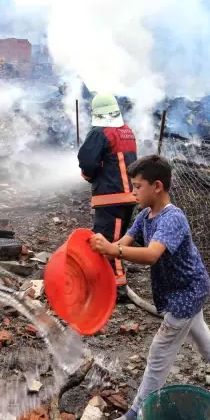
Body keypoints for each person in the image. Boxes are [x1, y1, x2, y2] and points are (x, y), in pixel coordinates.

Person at [89, 155, 210, 420]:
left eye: (137, 186)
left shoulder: (173, 218)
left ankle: (136, 413)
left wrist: (115, 250)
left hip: (188, 292)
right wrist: (104, 249)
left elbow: (151, 255)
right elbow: (123, 242)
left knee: (159, 353)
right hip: (183, 289)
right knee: (199, 331)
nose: (133, 191)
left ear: (157, 186)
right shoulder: (145, 215)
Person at [78, 93, 137, 300]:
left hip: (110, 198)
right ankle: (106, 280)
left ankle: (118, 289)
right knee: (116, 240)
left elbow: (87, 162)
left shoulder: (100, 133)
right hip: (128, 196)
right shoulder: (126, 131)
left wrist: (87, 176)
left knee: (109, 242)